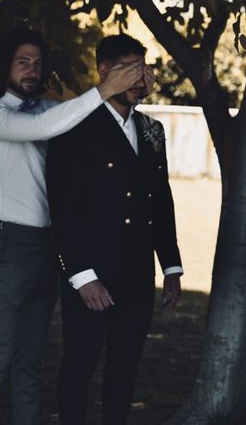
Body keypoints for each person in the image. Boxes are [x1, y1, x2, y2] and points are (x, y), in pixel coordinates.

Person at [0, 26, 144, 425]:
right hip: (8, 243)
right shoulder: (0, 113)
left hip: (49, 247)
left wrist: (126, 87)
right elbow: (47, 128)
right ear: (4, 66)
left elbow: (87, 123)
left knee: (31, 360)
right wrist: (104, 87)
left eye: (38, 63)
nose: (32, 69)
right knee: (0, 353)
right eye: (22, 62)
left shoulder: (49, 110)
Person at [45, 33, 183, 425]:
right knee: (80, 365)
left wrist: (170, 266)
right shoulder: (74, 127)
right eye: (131, 70)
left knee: (124, 369)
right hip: (91, 275)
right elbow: (63, 208)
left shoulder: (152, 130)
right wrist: (82, 276)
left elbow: (161, 199)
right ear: (104, 71)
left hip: (138, 274)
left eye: (145, 70)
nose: (142, 79)